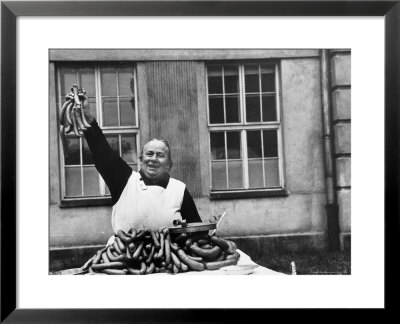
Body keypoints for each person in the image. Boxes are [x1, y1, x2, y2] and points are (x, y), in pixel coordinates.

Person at [77, 92, 202, 234]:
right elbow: (102, 153)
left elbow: (197, 230)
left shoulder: (179, 190)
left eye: (160, 155)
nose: (153, 158)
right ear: (141, 160)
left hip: (168, 254)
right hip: (124, 254)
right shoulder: (125, 181)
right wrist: (88, 119)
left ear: (169, 164)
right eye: (149, 154)